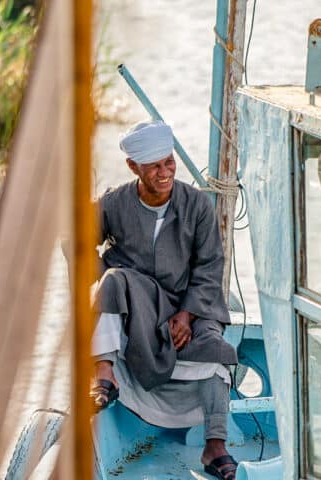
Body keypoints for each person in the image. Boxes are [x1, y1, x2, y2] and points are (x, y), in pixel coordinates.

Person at [90, 121, 239, 480]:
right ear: (134, 168)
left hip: (191, 304)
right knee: (112, 282)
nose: (165, 172)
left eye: (169, 162)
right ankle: (103, 372)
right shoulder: (115, 203)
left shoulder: (197, 205)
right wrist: (99, 275)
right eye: (154, 166)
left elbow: (209, 266)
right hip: (139, 299)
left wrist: (186, 314)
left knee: (215, 350)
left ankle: (214, 444)